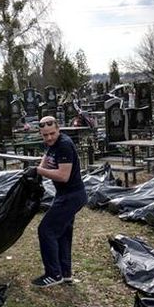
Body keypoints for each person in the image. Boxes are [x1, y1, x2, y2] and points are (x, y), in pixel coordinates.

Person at [30, 115, 87, 287]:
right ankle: (65, 273)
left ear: (58, 130)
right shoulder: (51, 144)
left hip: (72, 196)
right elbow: (46, 161)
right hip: (63, 195)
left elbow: (63, 176)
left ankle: (53, 274)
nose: (49, 138)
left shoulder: (64, 145)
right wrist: (39, 168)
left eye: (52, 134)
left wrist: (38, 171)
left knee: (45, 230)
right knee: (62, 233)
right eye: (45, 135)